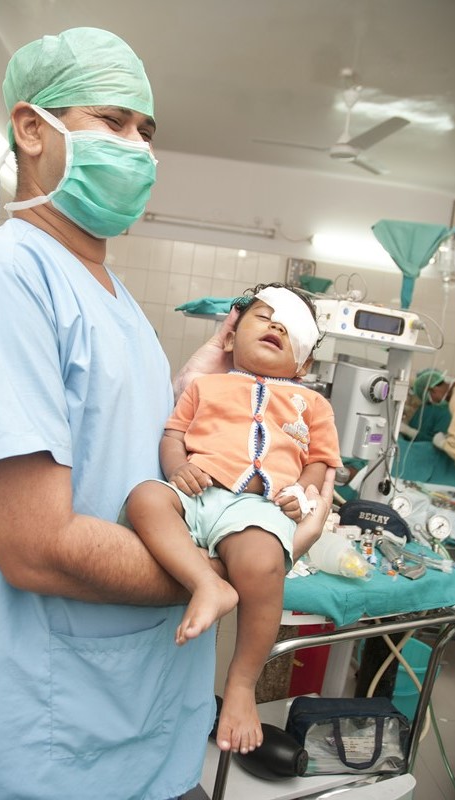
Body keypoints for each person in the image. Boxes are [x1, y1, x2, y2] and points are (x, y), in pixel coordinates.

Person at [0, 27, 243, 800]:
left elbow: (108, 448)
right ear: (32, 129)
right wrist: (223, 568)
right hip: (34, 731)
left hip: (137, 720)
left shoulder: (115, 299)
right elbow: (40, 544)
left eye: (146, 131)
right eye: (113, 122)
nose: (139, 149)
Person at [127, 283, 342, 756]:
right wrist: (176, 467)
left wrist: (304, 495)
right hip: (197, 491)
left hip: (255, 509)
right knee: (143, 499)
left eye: (291, 329)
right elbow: (173, 435)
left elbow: (319, 463)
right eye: (265, 316)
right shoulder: (206, 386)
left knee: (263, 565)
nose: (277, 326)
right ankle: (206, 582)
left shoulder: (314, 406)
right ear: (230, 337)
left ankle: (242, 683)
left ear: (303, 364)